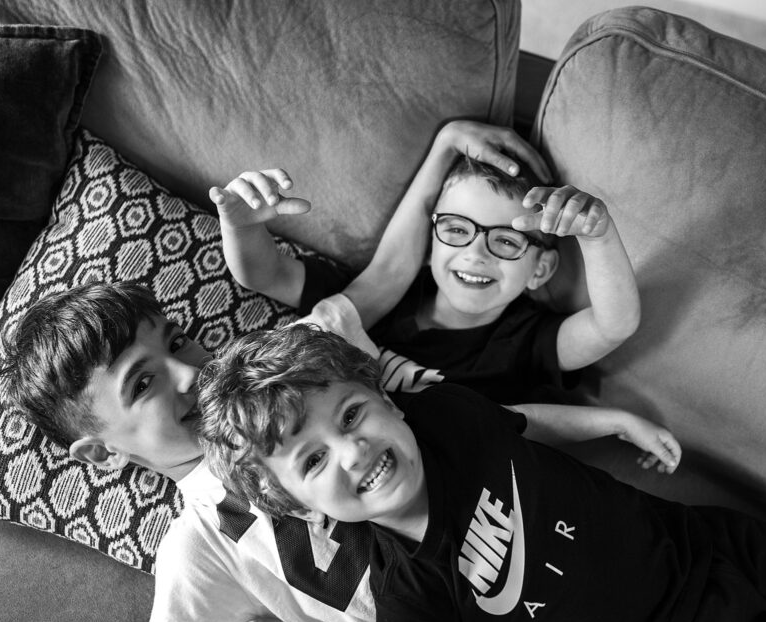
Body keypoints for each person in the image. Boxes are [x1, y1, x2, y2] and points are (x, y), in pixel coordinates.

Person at [200, 323, 766, 622]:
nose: (354, 452)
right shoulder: (408, 597)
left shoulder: (448, 416)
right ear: (298, 504)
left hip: (708, 543)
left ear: (387, 400)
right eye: (314, 458)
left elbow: (524, 422)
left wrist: (614, 421)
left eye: (353, 415)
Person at [0, 281, 636, 622]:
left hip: (559, 570)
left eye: (180, 342)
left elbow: (483, 428)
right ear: (102, 455)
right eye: (143, 383)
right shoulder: (199, 548)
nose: (188, 374)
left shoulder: (312, 397)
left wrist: (597, 421)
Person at [213, 119, 678, 474]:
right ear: (430, 237)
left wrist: (597, 235)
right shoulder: (381, 298)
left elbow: (612, 324)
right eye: (457, 230)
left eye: (506, 241)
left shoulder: (524, 340)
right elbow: (264, 274)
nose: (475, 254)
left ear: (540, 269)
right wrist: (240, 223)